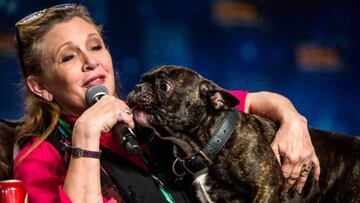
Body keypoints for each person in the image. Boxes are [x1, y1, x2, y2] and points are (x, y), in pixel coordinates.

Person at [12, 3, 320, 202]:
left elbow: (254, 101)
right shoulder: (38, 156)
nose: (91, 61)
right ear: (41, 87)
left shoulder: (150, 111)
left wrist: (293, 121)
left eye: (96, 46)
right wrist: (87, 133)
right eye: (68, 56)